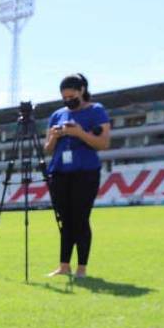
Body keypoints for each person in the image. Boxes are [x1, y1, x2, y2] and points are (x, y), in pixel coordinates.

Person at [43, 73, 110, 278]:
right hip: (59, 173)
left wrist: (80, 133)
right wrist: (54, 136)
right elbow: (47, 149)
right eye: (64, 97)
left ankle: (82, 267)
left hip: (85, 172)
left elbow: (104, 143)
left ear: (82, 90)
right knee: (65, 220)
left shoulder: (96, 111)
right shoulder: (57, 115)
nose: (68, 100)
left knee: (80, 219)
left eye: (72, 96)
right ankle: (64, 266)